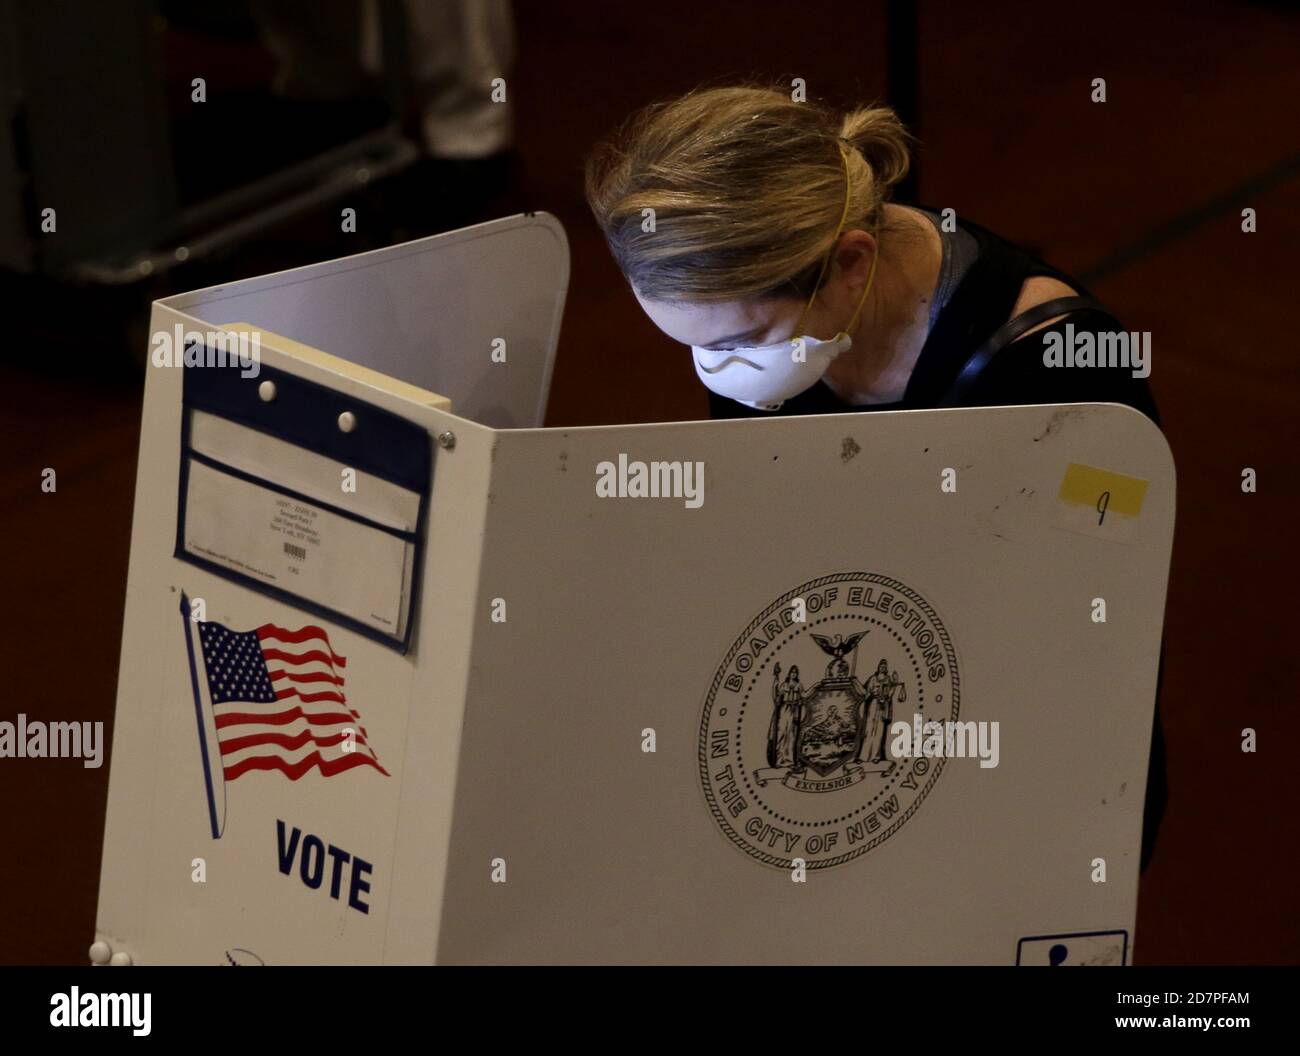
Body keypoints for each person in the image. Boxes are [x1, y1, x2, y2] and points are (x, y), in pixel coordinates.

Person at [584, 84, 1167, 871]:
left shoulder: (1060, 366)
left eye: (740, 339)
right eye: (694, 347)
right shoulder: (762, 332)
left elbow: (1099, 598)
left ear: (851, 264)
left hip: (1027, 772)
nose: (720, 371)